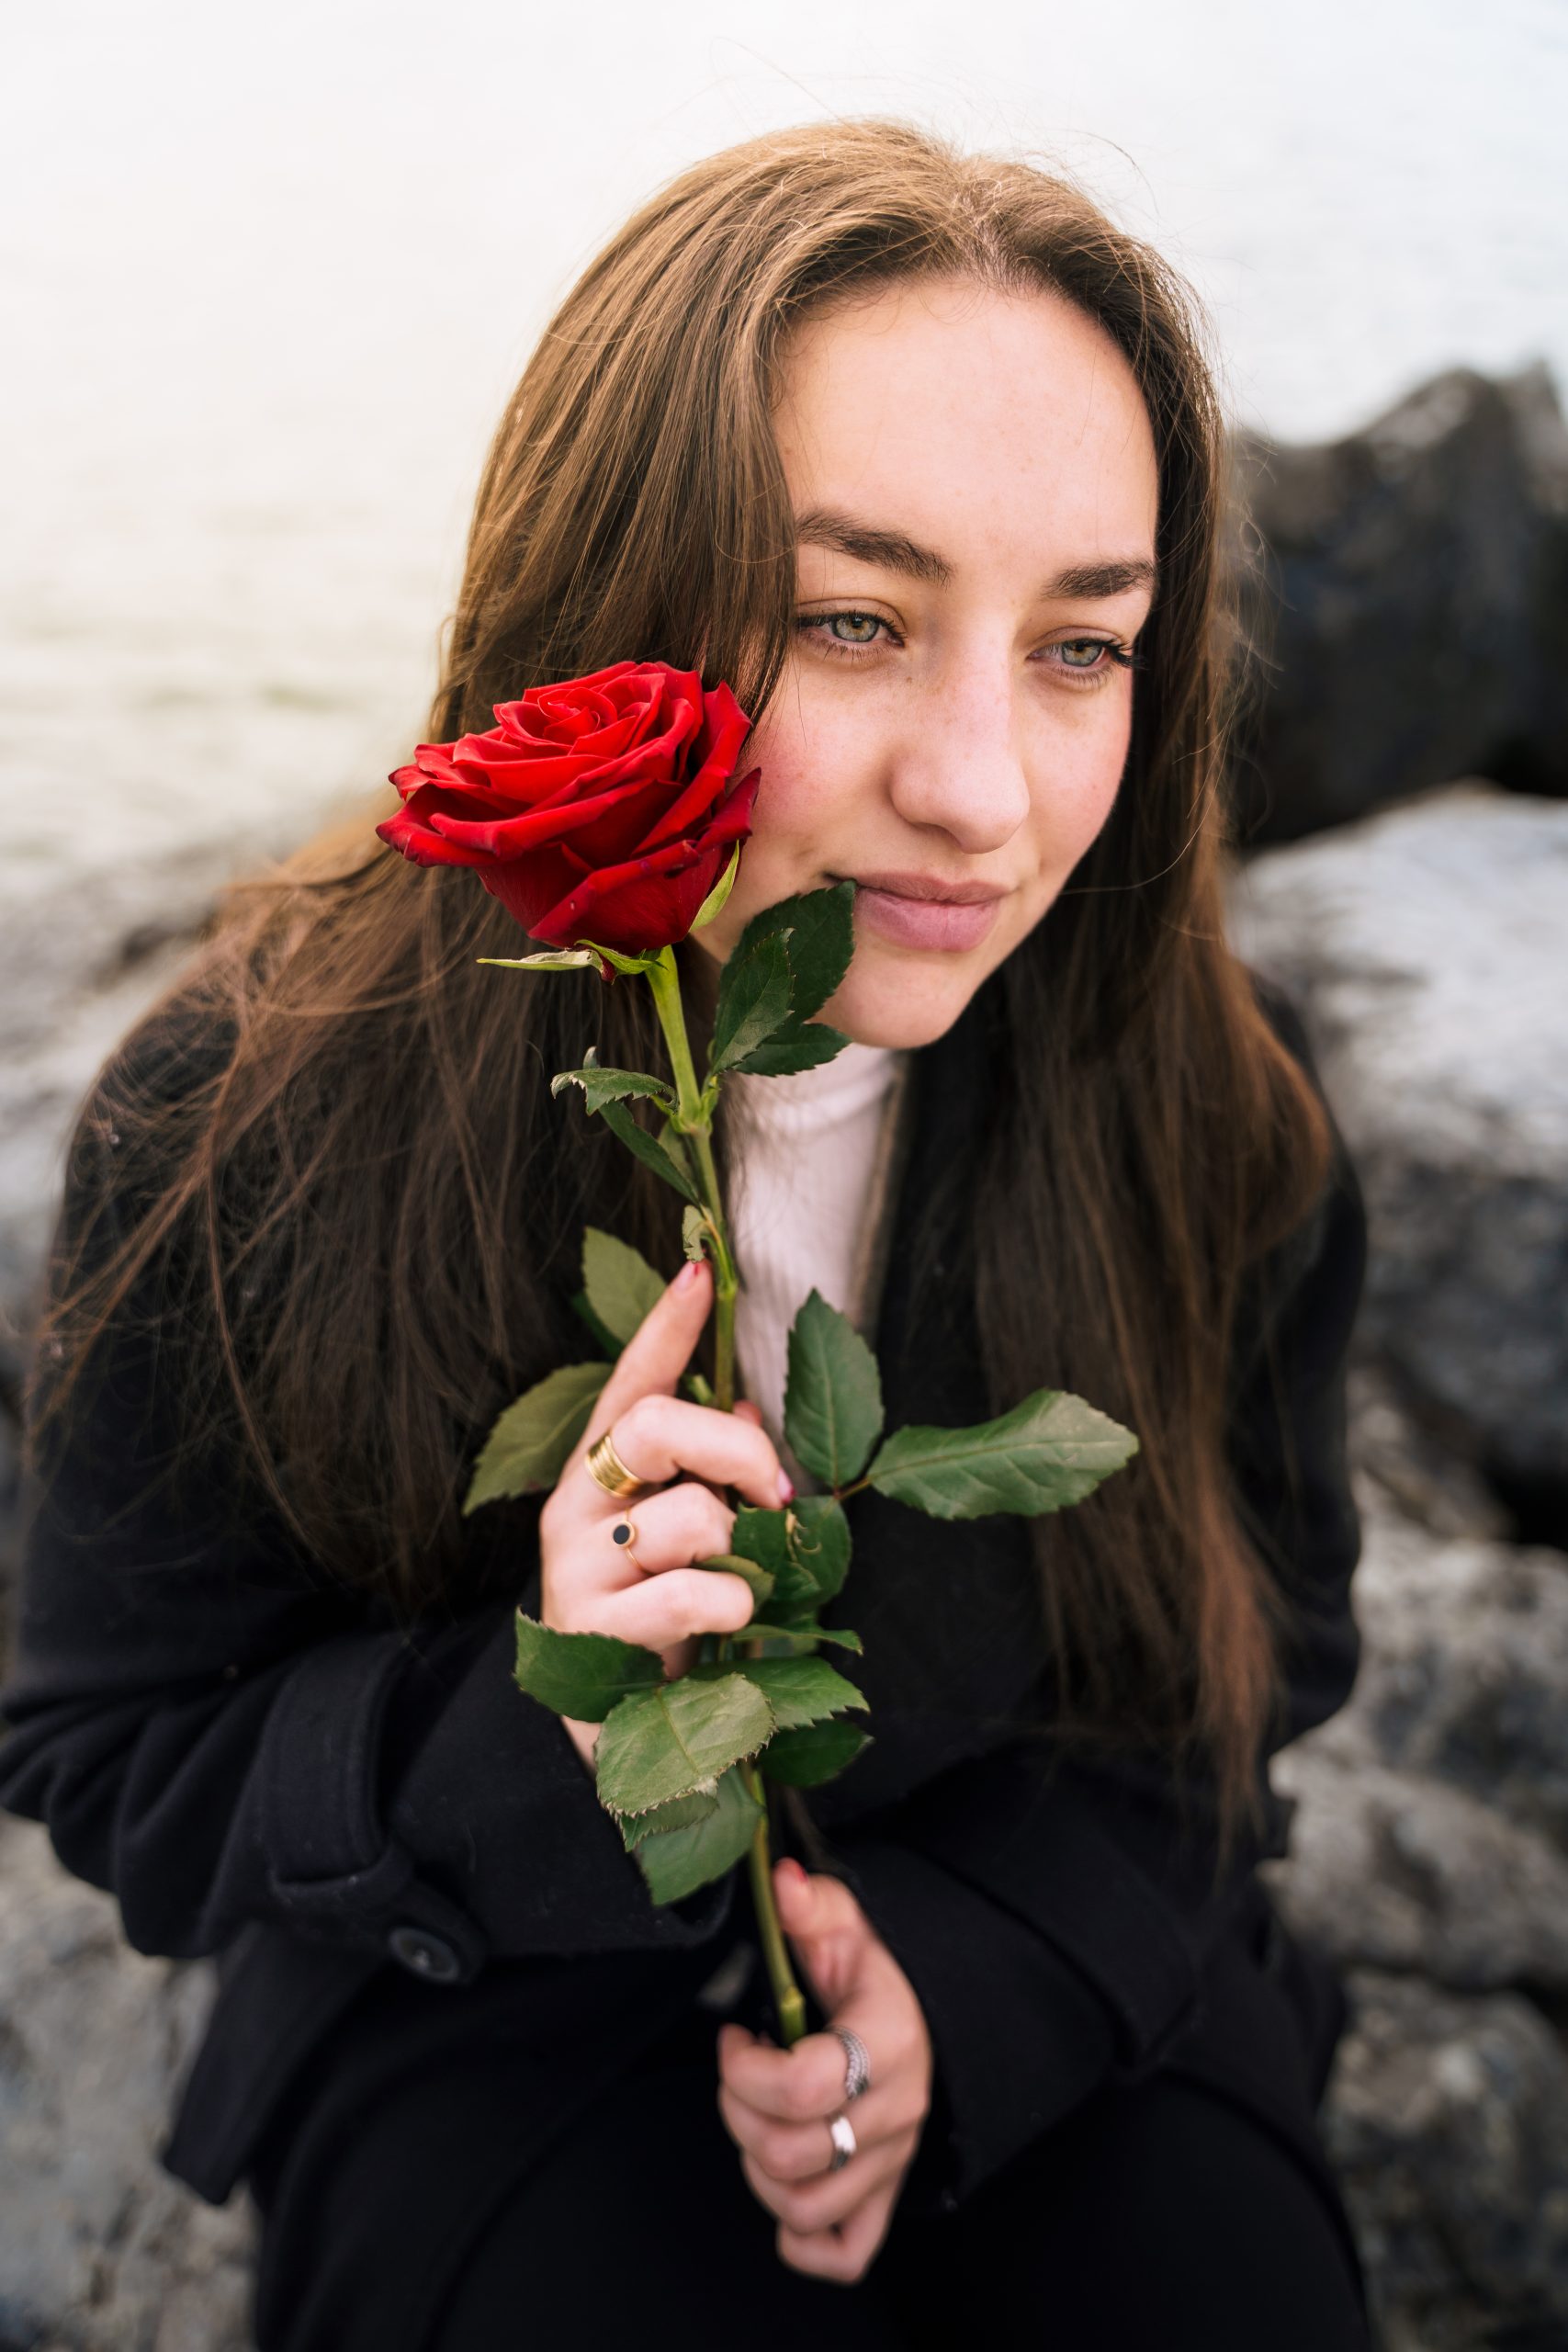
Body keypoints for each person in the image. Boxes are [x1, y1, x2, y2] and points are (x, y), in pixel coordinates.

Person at [0, 117, 1375, 2349]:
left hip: (1034, 1919)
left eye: (1079, 644)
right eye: (852, 617)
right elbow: (117, 1759)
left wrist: (973, 1973)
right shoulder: (249, 1112)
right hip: (490, 1992)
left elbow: (1264, 1642)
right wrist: (546, 1704)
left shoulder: (1209, 1088)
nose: (980, 788)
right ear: (603, 597)